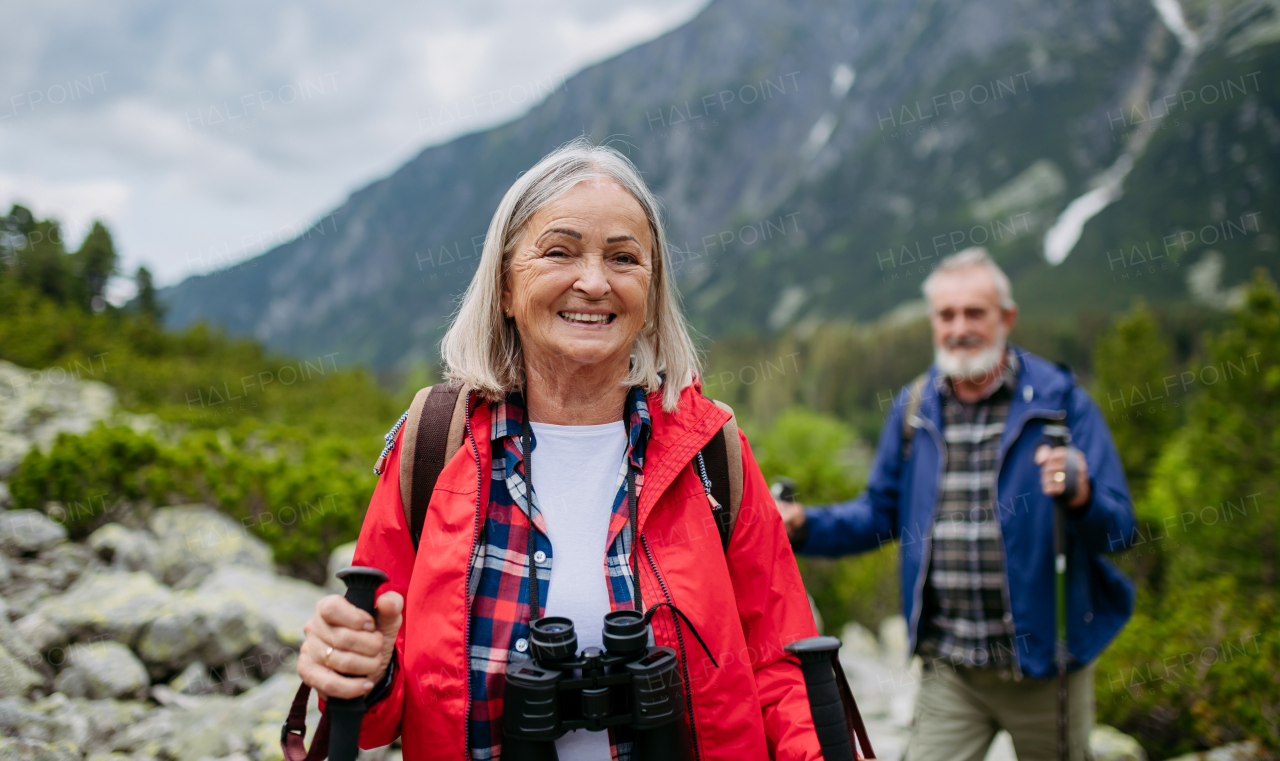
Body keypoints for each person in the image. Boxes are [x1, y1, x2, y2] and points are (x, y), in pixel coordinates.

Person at [296, 138, 824, 760]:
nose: (594, 282)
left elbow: (782, 668)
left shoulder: (711, 450)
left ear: (651, 298)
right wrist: (360, 670)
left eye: (624, 259)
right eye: (559, 252)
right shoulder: (436, 444)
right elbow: (377, 712)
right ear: (505, 288)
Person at [776, 247, 1136, 761]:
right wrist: (804, 524)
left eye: (975, 312)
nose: (960, 326)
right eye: (947, 314)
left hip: (1044, 668)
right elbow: (879, 515)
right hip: (952, 672)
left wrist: (1082, 492)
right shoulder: (914, 408)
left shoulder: (1060, 401)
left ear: (1006, 318)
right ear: (933, 322)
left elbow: (1120, 528)